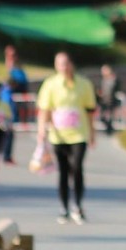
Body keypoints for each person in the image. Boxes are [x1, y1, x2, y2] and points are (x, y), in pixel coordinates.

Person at [35, 52, 97, 225]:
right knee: (63, 171)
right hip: (58, 135)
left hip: (79, 134)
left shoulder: (84, 84)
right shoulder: (51, 84)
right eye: (59, 64)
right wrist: (41, 130)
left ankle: (77, 205)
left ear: (71, 65)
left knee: (76, 168)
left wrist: (92, 133)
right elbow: (44, 110)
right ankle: (64, 208)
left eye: (65, 63)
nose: (62, 67)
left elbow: (90, 111)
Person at [0, 44, 29, 164]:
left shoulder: (17, 71)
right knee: (4, 130)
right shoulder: (6, 71)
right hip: (3, 104)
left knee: (8, 130)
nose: (10, 57)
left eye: (13, 55)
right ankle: (3, 153)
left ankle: (6, 155)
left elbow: (22, 85)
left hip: (10, 105)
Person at [97, 64, 121, 136]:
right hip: (104, 101)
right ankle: (109, 128)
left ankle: (109, 130)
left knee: (110, 117)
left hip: (111, 101)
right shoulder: (103, 80)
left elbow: (114, 89)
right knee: (102, 117)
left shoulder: (113, 79)